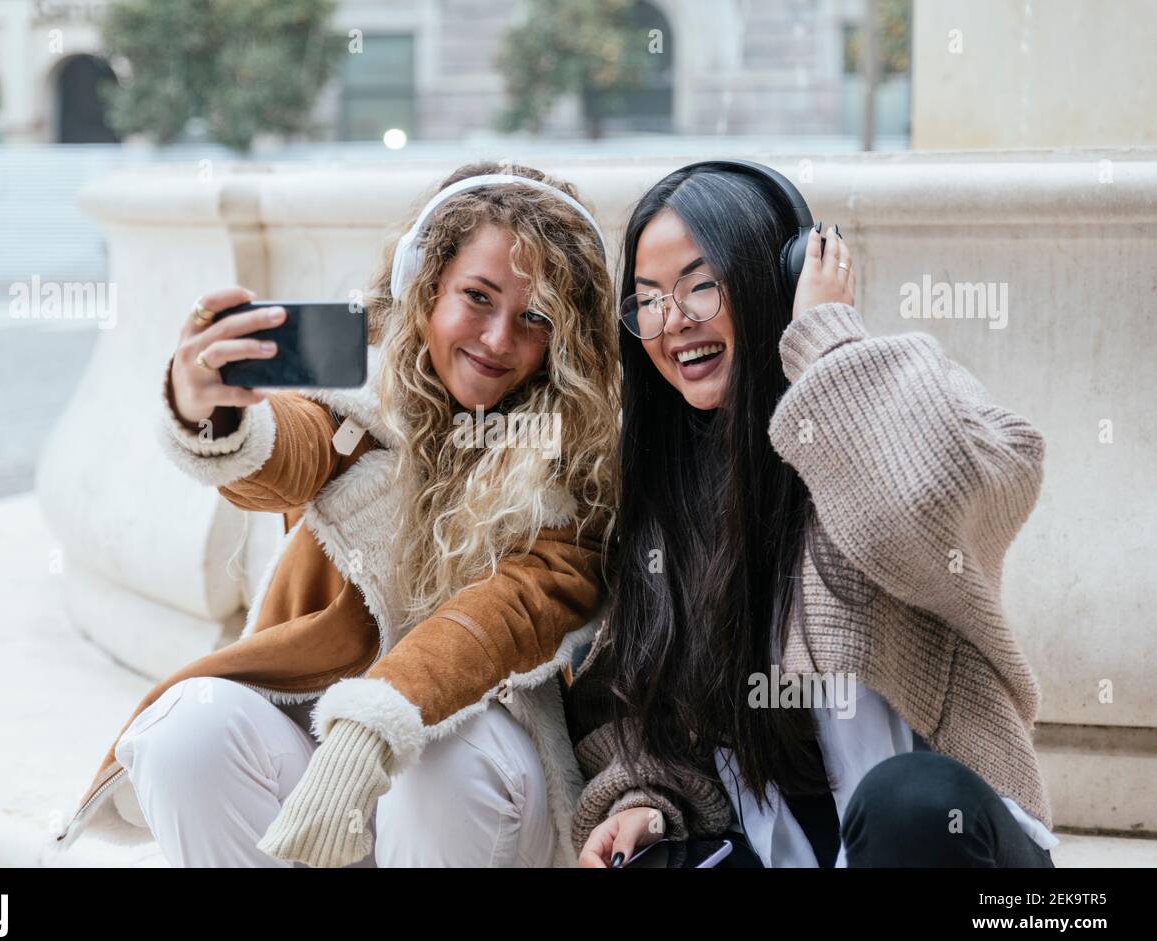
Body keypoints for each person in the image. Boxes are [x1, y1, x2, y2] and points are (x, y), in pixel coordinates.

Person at [51, 161, 620, 867]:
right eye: (477, 297)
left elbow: (503, 616)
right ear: (426, 284)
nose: (499, 338)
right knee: (186, 732)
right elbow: (289, 447)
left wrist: (376, 720)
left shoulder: (581, 460)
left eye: (535, 317)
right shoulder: (362, 406)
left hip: (483, 785)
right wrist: (212, 409)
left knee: (442, 760)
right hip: (322, 758)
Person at [567, 160, 1058, 868]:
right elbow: (640, 717)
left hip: (943, 844)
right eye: (648, 299)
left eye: (700, 285)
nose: (673, 321)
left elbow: (922, 507)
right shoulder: (669, 495)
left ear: (786, 277)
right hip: (786, 853)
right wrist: (643, 802)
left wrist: (827, 342)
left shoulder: (888, 395)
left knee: (907, 802)